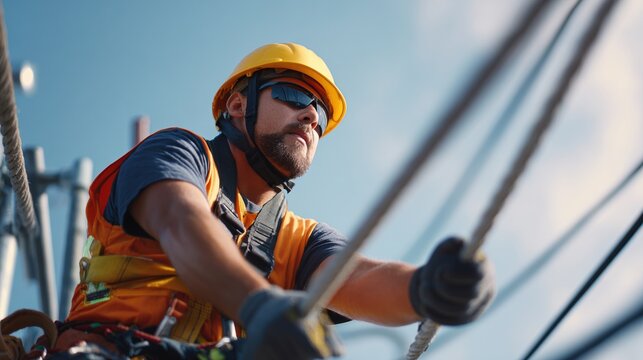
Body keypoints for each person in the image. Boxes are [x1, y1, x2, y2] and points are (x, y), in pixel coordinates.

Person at [56, 42, 495, 359]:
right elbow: (180, 219)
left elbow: (357, 278)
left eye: (320, 116)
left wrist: (427, 287)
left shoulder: (298, 240)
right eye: (293, 96)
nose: (310, 115)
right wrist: (259, 304)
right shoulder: (181, 153)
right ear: (236, 105)